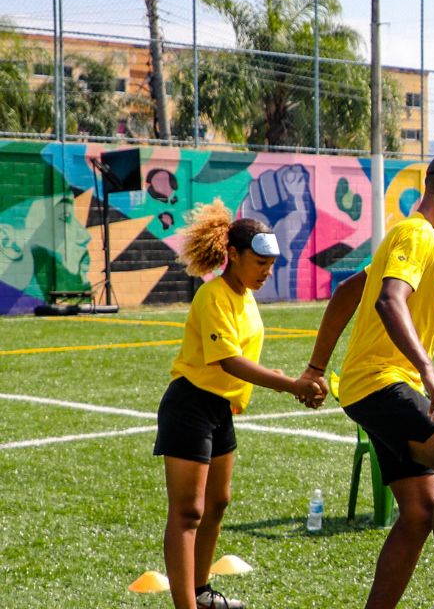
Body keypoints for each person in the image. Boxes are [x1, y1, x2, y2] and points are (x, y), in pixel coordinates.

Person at [307, 148, 434, 609]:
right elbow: (390, 301)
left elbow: (351, 291)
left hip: (370, 386)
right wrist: (428, 370)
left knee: (420, 510)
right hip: (383, 381)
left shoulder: (403, 236)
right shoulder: (418, 234)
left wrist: (316, 367)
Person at [155, 200, 326, 609]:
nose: (267, 271)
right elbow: (227, 360)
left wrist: (291, 381)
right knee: (188, 513)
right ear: (233, 255)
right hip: (190, 406)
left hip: (220, 410)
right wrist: (291, 385)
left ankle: (201, 591)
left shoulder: (246, 296)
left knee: (218, 503)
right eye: (260, 262)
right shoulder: (213, 295)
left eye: (271, 263)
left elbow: (241, 358)